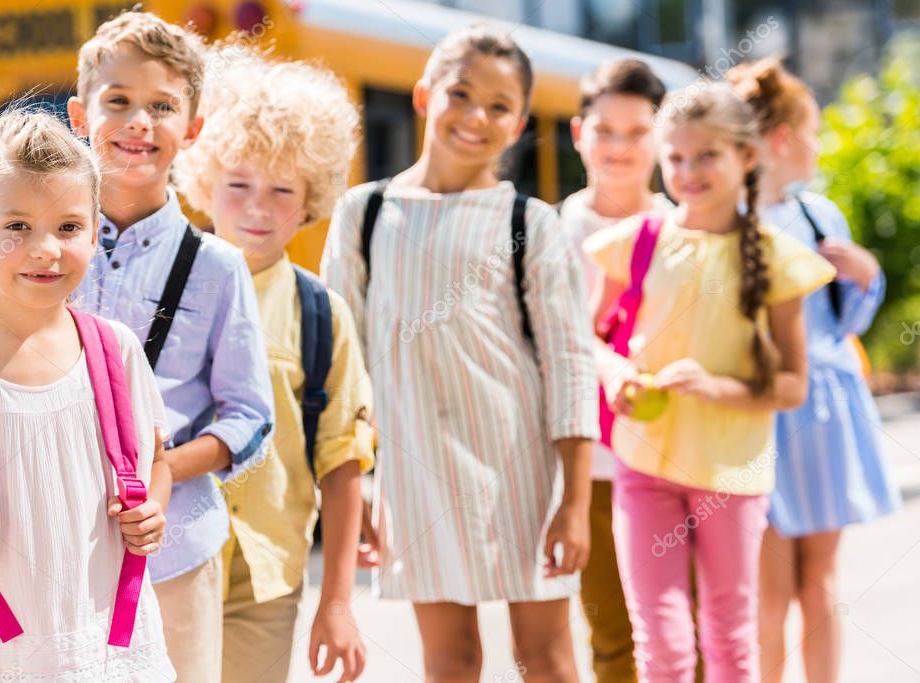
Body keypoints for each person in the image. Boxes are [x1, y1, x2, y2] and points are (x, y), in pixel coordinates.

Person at [321, 25, 600, 683]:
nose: (476, 116)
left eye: (498, 106)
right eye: (460, 93)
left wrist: (575, 502)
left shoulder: (530, 222)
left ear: (518, 123)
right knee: (451, 662)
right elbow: (342, 365)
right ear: (423, 96)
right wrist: (351, 485)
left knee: (547, 659)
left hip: (523, 472)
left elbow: (568, 363)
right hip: (414, 477)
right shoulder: (364, 213)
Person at [0, 109, 175, 681]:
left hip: (111, 647)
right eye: (18, 227)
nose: (45, 248)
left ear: (95, 232)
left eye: (68, 227)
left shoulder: (117, 351)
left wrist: (152, 509)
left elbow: (155, 462)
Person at [584, 83, 836, 683]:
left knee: (728, 642)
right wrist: (614, 369)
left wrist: (715, 386)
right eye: (675, 158)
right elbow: (586, 338)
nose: (687, 172)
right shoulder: (637, 241)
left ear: (746, 158)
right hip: (644, 467)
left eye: (706, 156)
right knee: (662, 647)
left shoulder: (777, 257)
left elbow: (794, 385)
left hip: (733, 473)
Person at [67, 13, 274, 681]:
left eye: (162, 106)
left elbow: (248, 415)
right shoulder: (44, 256)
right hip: (56, 546)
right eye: (117, 101)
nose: (139, 122)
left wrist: (161, 476)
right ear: (79, 116)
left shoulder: (217, 267)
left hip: (175, 550)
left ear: (192, 128)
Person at [175, 49, 373, 683]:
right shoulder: (161, 285)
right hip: (162, 564)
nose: (258, 208)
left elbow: (341, 464)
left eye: (282, 190)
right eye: (238, 185)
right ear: (205, 182)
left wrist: (337, 603)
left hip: (265, 580)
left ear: (310, 198)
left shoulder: (323, 314)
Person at [728, 57, 902, 683]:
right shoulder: (752, 223)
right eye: (813, 130)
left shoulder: (808, 217)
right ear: (781, 138)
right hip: (783, 411)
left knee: (791, 583)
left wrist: (863, 275)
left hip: (801, 412)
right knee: (792, 584)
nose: (819, 144)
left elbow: (845, 316)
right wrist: (866, 281)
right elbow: (846, 326)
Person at [559, 58, 669, 683]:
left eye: (638, 131)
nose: (620, 147)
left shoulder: (687, 230)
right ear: (579, 132)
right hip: (588, 469)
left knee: (690, 628)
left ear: (661, 135)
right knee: (612, 637)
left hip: (676, 459)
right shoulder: (549, 232)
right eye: (606, 131)